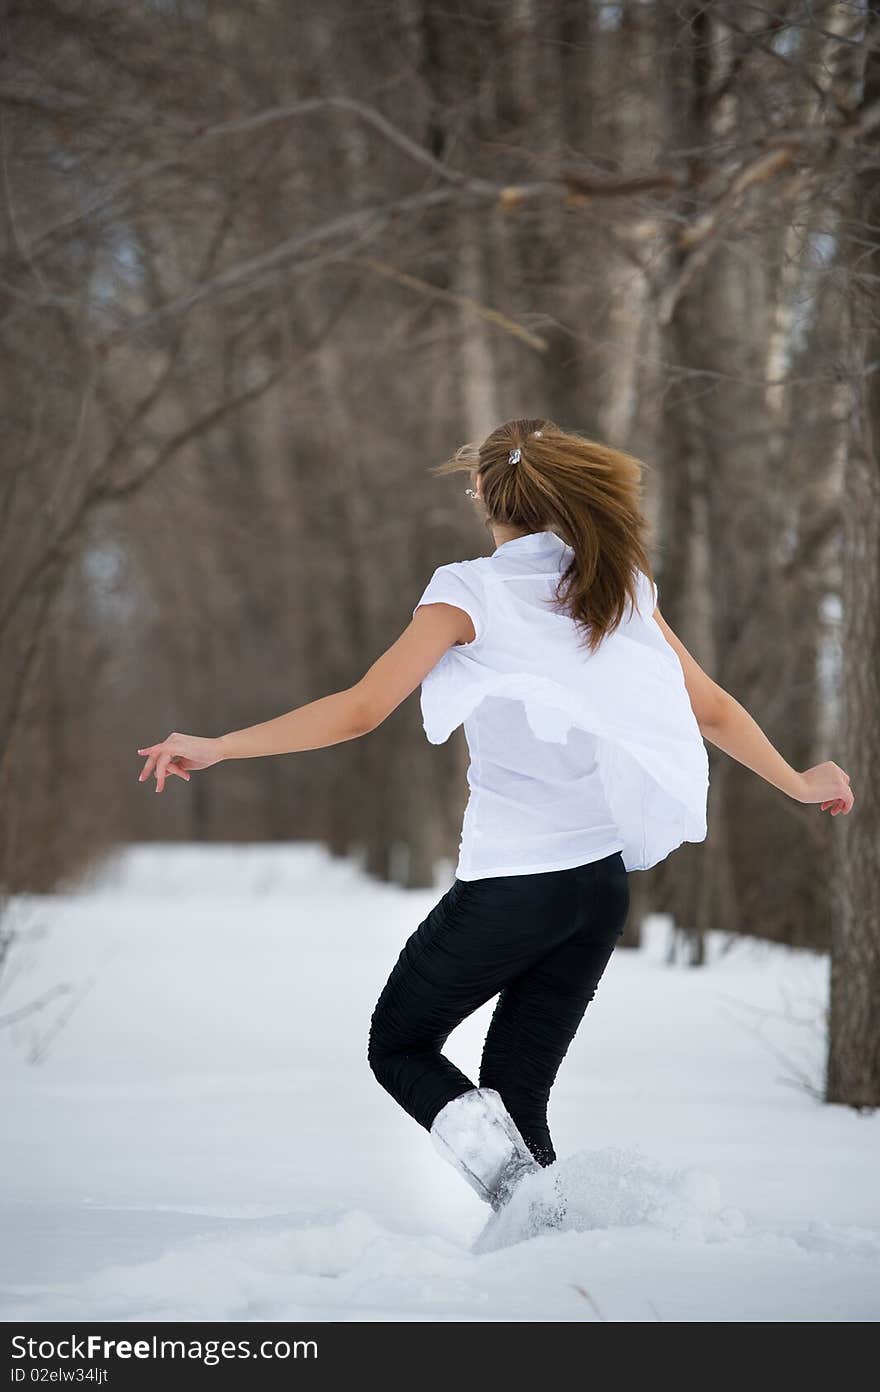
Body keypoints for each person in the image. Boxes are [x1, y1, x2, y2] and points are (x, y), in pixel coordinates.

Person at [136, 417, 854, 1247]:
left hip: (517, 887)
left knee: (400, 1042)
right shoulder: (620, 588)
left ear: (483, 492)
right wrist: (801, 782)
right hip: (599, 890)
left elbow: (361, 710)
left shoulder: (466, 591)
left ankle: (532, 1208)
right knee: (515, 1097)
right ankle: (553, 1249)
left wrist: (222, 744)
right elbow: (715, 710)